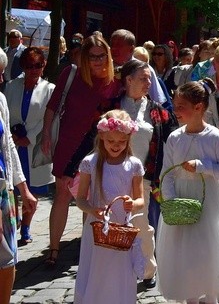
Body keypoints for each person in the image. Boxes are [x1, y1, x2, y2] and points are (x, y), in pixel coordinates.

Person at [156, 80, 219, 301]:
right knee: (186, 254)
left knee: (210, 251)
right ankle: (190, 296)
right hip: (182, 199)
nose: (176, 110)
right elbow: (167, 173)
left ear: (198, 107)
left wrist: (203, 166)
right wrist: (171, 200)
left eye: (181, 106)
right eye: (175, 105)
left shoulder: (214, 137)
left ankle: (211, 296)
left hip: (209, 200)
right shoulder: (175, 137)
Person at [41, 35, 121, 267]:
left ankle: (87, 247)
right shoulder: (71, 75)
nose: (97, 61)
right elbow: (53, 106)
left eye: (101, 55)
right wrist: (46, 132)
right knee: (63, 194)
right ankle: (53, 249)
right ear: (84, 57)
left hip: (97, 147)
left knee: (91, 195)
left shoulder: (115, 82)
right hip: (68, 143)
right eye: (92, 56)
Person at [114, 59, 178, 287]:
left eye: (149, 78)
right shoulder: (112, 106)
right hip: (112, 174)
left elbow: (172, 141)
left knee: (141, 225)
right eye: (143, 78)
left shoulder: (157, 112)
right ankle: (116, 271)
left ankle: (149, 269)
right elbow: (92, 139)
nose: (148, 82)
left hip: (142, 178)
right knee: (113, 226)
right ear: (128, 79)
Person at [73, 110, 144, 304]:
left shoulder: (134, 165)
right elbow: (80, 199)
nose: (116, 146)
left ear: (128, 139)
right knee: (97, 271)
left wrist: (132, 203)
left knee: (119, 273)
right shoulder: (91, 163)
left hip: (121, 230)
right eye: (111, 141)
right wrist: (92, 209)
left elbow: (141, 201)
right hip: (96, 229)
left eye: (121, 142)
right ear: (102, 137)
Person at [6, 47, 54, 246]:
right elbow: (5, 112)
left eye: (38, 65)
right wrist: (13, 135)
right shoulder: (11, 86)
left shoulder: (49, 89)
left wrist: (31, 137)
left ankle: (25, 227)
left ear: (43, 66)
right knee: (14, 188)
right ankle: (15, 219)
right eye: (29, 66)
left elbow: (48, 119)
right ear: (23, 67)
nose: (34, 70)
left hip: (34, 146)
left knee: (31, 191)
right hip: (14, 144)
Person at [0, 48, 37, 302]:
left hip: (4, 191)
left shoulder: (0, 100)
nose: (2, 79)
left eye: (2, 72)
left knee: (7, 256)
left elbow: (8, 145)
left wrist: (23, 189)